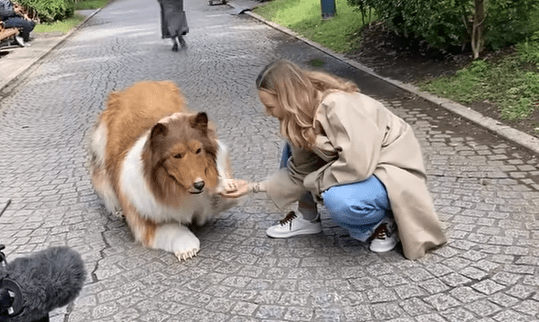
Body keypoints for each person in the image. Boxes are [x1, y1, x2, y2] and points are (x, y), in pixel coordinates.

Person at [220, 59, 447, 260]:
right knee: (293, 145)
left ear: (287, 99)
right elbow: (298, 173)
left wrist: (314, 181)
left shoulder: (339, 105)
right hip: (364, 167)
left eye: (270, 106)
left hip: (391, 170)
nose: (267, 112)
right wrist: (251, 187)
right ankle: (307, 217)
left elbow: (357, 166)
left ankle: (383, 222)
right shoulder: (301, 116)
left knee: (339, 201)